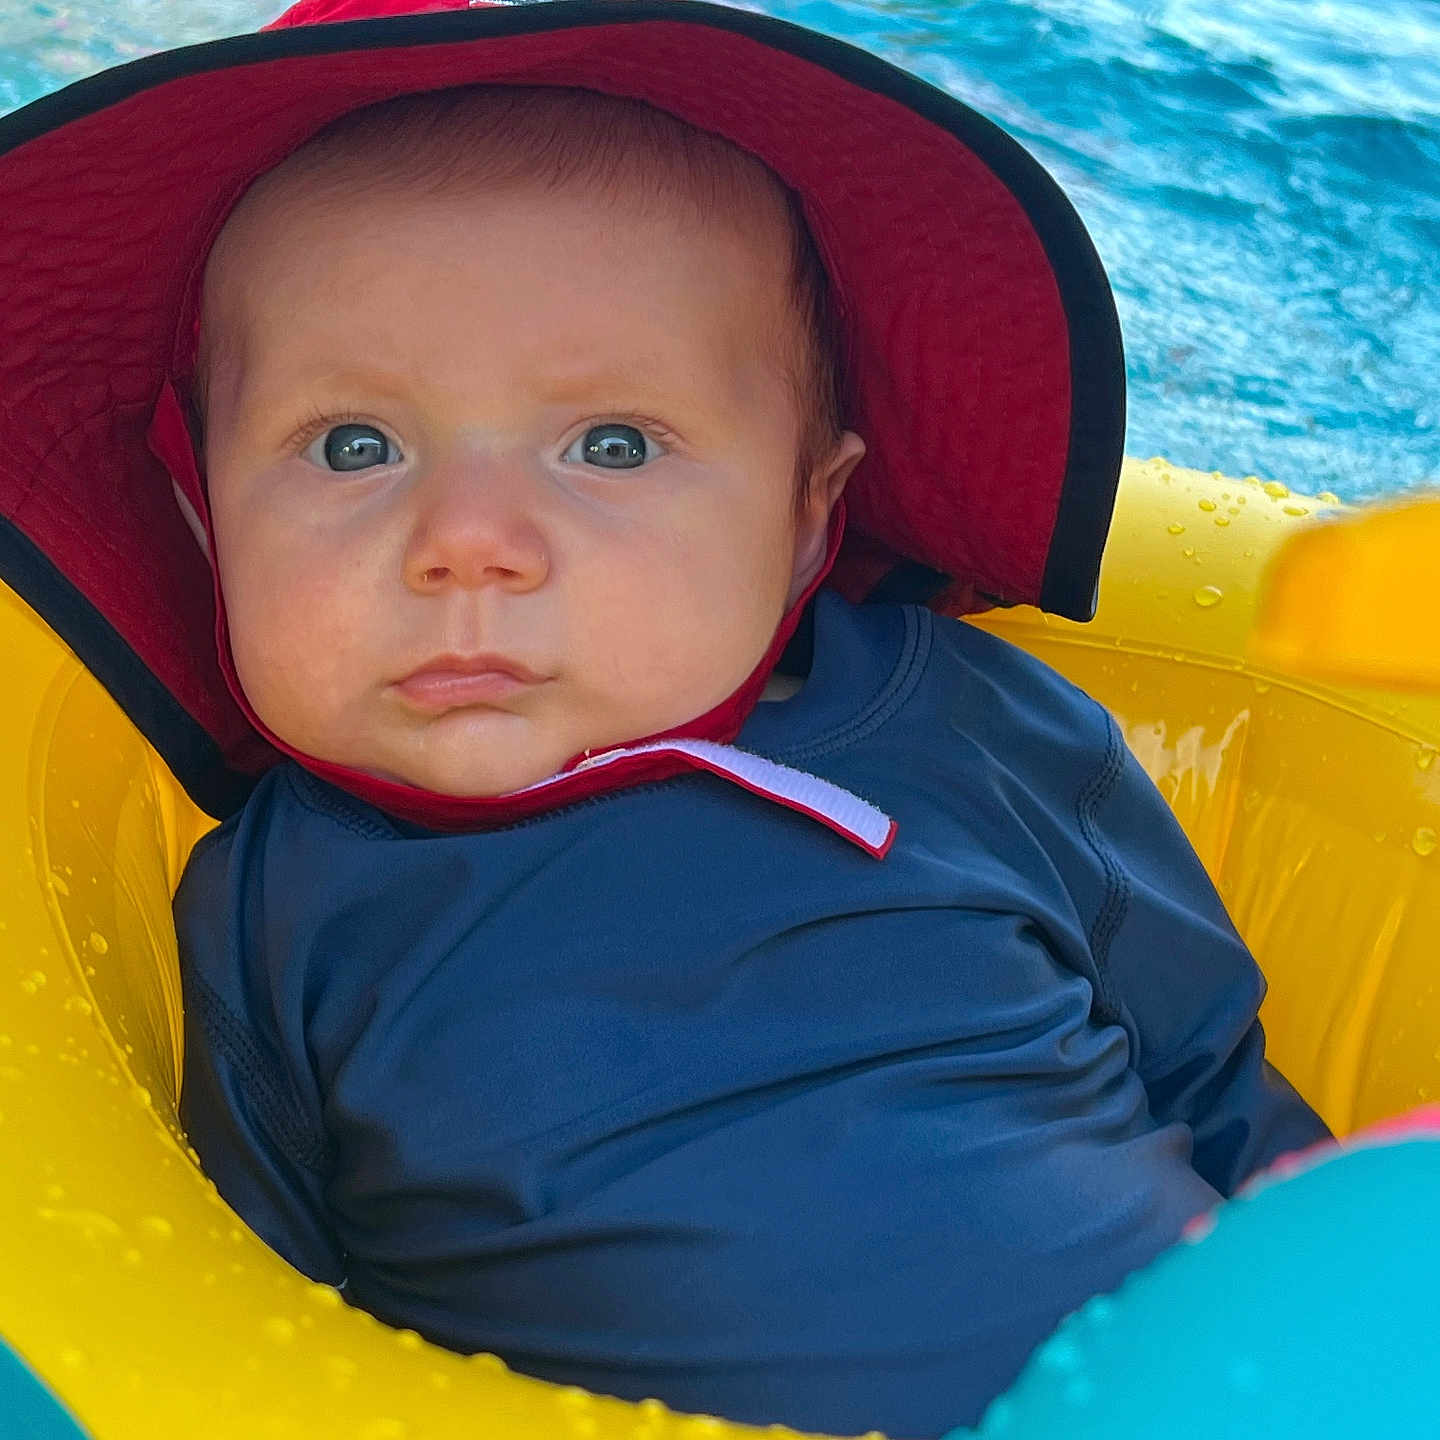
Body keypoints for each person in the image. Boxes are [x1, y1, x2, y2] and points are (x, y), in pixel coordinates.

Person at [0, 2, 1329, 1436]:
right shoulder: (281, 909)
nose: (467, 542)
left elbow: (1220, 1082)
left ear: (808, 515)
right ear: (206, 519)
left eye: (613, 444)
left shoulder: (981, 732)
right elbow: (234, 1328)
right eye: (354, 444)